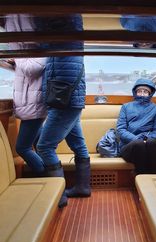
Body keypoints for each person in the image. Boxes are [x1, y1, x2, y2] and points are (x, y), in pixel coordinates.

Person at [36, 14, 90, 208]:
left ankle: (59, 197)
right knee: (78, 146)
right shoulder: (70, 42)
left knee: (44, 147)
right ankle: (83, 187)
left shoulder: (63, 40)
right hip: (70, 101)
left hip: (64, 103)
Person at [5, 14, 47, 176]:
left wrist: (17, 58)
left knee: (22, 148)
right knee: (38, 144)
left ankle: (47, 178)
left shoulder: (42, 51)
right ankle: (50, 178)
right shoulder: (29, 53)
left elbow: (31, 69)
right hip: (30, 105)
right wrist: (17, 61)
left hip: (34, 106)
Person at [117, 78, 156, 175]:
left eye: (145, 91)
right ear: (135, 92)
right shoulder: (126, 107)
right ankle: (141, 178)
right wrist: (136, 139)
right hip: (129, 146)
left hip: (149, 143)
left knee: (153, 143)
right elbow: (121, 129)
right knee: (139, 144)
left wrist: (146, 139)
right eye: (139, 91)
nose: (142, 94)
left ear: (150, 93)